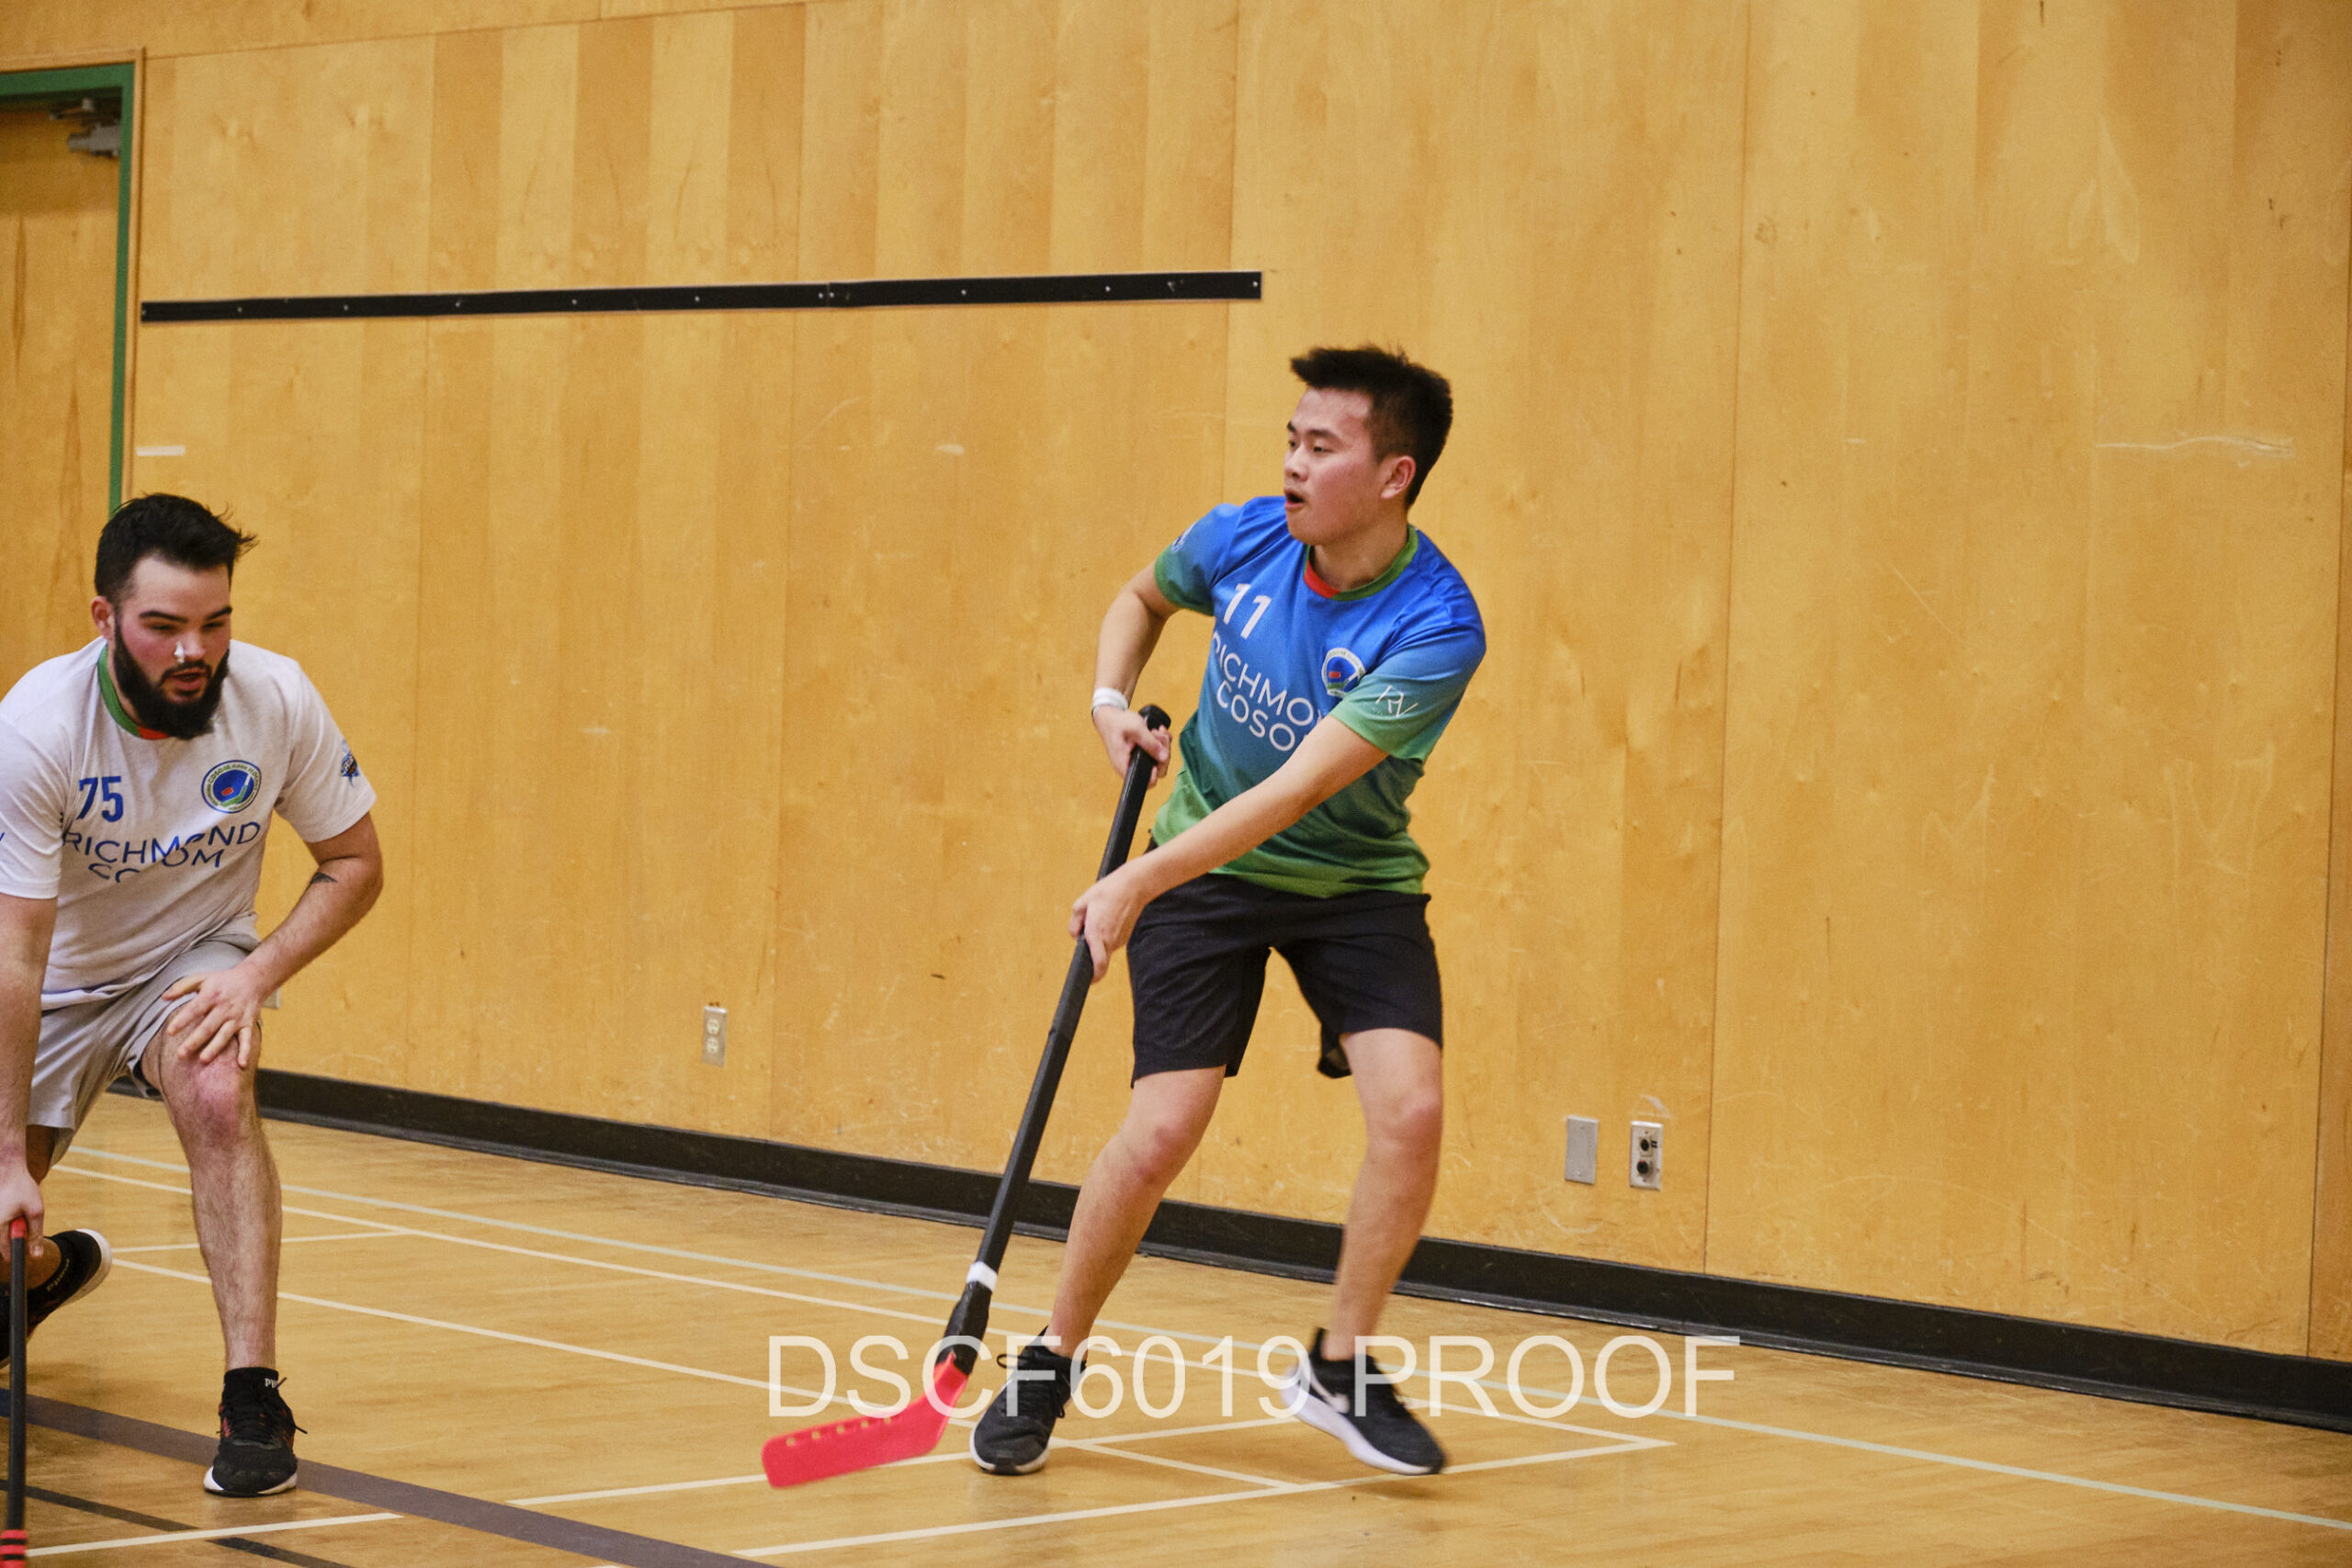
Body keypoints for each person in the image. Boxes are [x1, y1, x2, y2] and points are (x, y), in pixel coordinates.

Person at [972, 345, 1484, 1477]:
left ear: (1393, 475)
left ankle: (1338, 1368)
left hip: (1350, 884)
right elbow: (1140, 597)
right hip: (1208, 872)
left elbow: (1295, 792)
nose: (1291, 465)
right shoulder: (1244, 539)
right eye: (1289, 441)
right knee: (1162, 1129)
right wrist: (1107, 701)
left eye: (1321, 447)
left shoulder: (1436, 626)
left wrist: (1134, 879)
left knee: (1411, 1110)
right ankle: (1051, 1357)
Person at [0, 494, 382, 1497]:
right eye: (164, 625)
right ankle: (42, 1274)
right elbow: (18, 957)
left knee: (217, 1087)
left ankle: (252, 1397)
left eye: (214, 624)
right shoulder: (38, 729)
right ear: (104, 618)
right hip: (51, 979)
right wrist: (6, 1159)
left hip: (190, 960)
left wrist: (254, 974)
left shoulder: (276, 699)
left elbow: (354, 863)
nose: (192, 652)